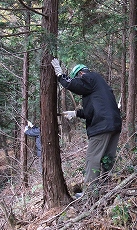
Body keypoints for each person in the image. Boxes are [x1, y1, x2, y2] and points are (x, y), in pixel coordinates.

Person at [51, 58, 122, 195]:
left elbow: (74, 85)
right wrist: (76, 113)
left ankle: (90, 194)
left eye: (77, 77)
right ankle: (105, 190)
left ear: (80, 74)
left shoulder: (90, 77)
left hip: (101, 126)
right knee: (107, 158)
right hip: (113, 124)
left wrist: (60, 75)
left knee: (92, 158)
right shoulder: (99, 88)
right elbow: (91, 111)